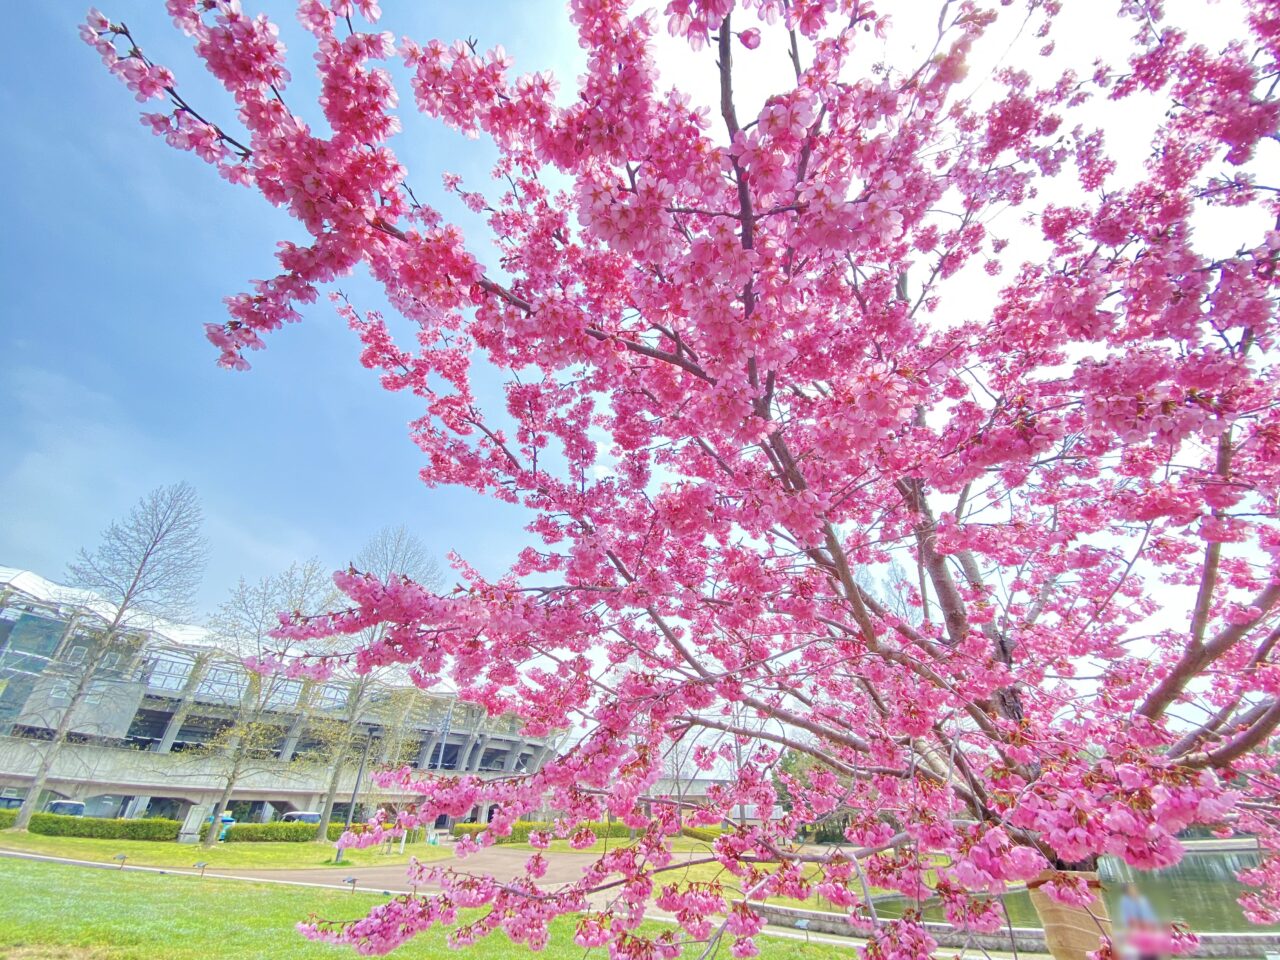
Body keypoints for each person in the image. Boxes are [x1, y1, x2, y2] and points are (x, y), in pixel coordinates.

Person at [1118, 883, 1161, 960]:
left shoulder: (1142, 899)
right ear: (1127, 891)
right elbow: (1127, 918)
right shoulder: (1125, 901)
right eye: (1131, 889)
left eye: (1134, 888)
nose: (1134, 890)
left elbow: (1150, 914)